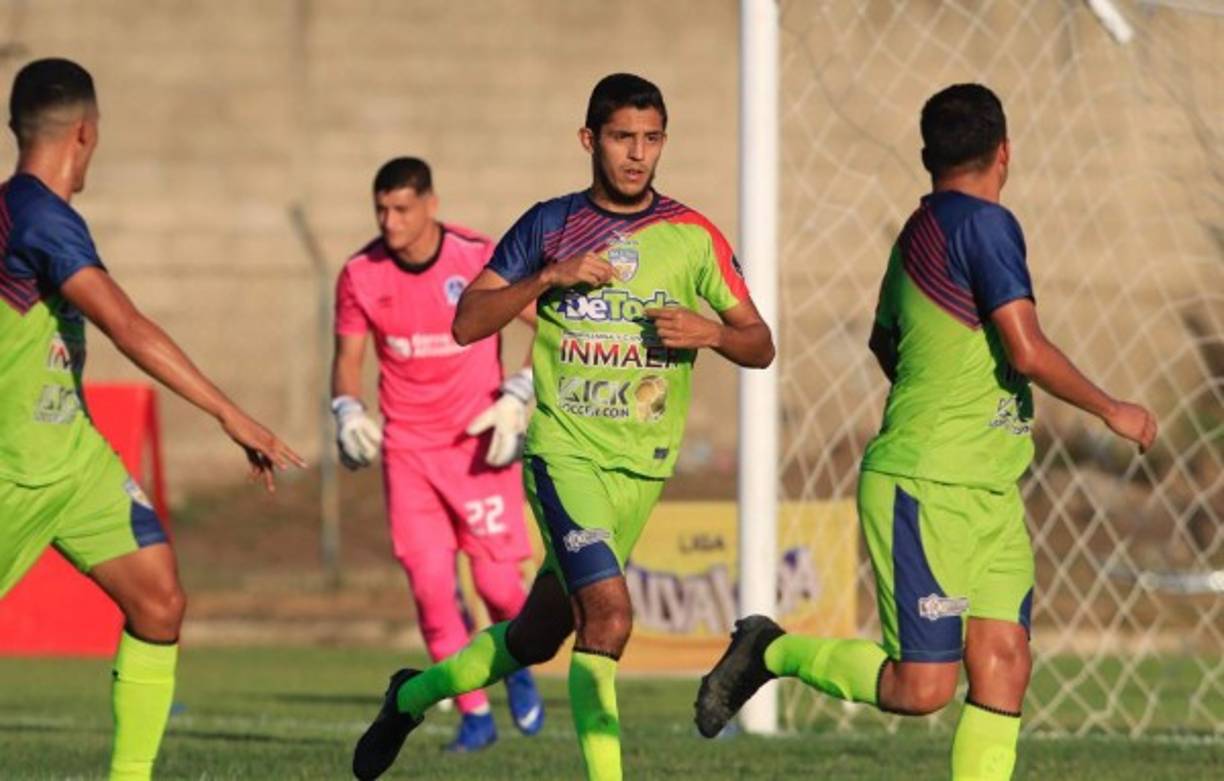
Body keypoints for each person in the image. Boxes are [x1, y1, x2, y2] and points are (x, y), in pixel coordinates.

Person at [694, 83, 1158, 781]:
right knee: (924, 688)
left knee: (1004, 662)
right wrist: (1110, 406)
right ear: (1005, 151)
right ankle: (770, 649)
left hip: (990, 484)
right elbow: (1026, 350)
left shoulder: (917, 232)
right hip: (926, 482)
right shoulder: (987, 225)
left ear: (926, 155)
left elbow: (889, 346)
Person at [350, 72, 775, 781]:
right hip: (564, 453)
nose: (638, 154)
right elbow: (466, 322)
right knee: (608, 617)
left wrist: (710, 332)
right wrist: (549, 278)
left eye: (650, 138)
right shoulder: (549, 226)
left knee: (538, 634)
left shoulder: (693, 235)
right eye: (621, 138)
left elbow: (759, 343)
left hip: (642, 465)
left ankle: (411, 694)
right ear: (590, 140)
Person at [0, 58, 304, 780]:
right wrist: (232, 414)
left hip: (71, 461)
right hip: (12, 469)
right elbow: (126, 325)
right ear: (86, 132)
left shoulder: (26, 210)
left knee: (160, 599)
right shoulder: (37, 215)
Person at [331, 157, 544, 752]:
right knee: (430, 588)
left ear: (430, 205)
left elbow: (545, 327)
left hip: (479, 444)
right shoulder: (360, 273)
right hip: (408, 453)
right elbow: (347, 359)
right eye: (381, 209)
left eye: (401, 209)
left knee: (500, 587)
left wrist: (518, 394)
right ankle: (475, 716)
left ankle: (519, 665)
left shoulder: (477, 257)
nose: (390, 221)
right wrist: (346, 410)